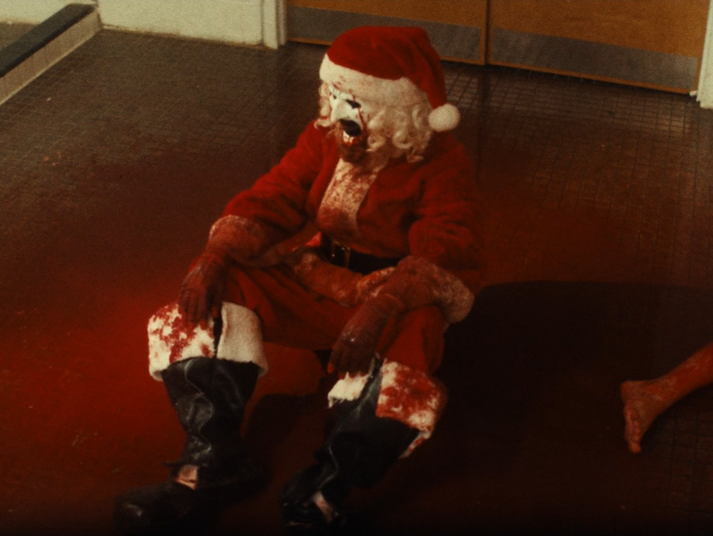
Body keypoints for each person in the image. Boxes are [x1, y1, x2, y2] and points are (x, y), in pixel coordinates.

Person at [114, 26, 484, 534]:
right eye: (334, 94)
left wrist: (381, 307)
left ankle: (322, 492)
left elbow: (447, 247)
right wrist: (215, 254)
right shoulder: (325, 137)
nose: (338, 110)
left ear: (399, 113)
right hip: (317, 276)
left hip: (389, 295)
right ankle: (212, 466)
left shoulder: (442, 162)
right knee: (216, 289)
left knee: (413, 348)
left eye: (355, 100)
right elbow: (277, 195)